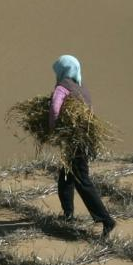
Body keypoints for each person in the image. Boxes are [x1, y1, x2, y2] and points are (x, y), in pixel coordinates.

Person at [49, 55, 115, 238]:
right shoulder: (81, 89)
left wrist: (53, 129)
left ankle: (106, 219)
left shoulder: (63, 88)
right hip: (83, 139)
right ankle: (68, 214)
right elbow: (90, 112)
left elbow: (55, 109)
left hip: (75, 141)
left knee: (82, 181)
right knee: (65, 177)